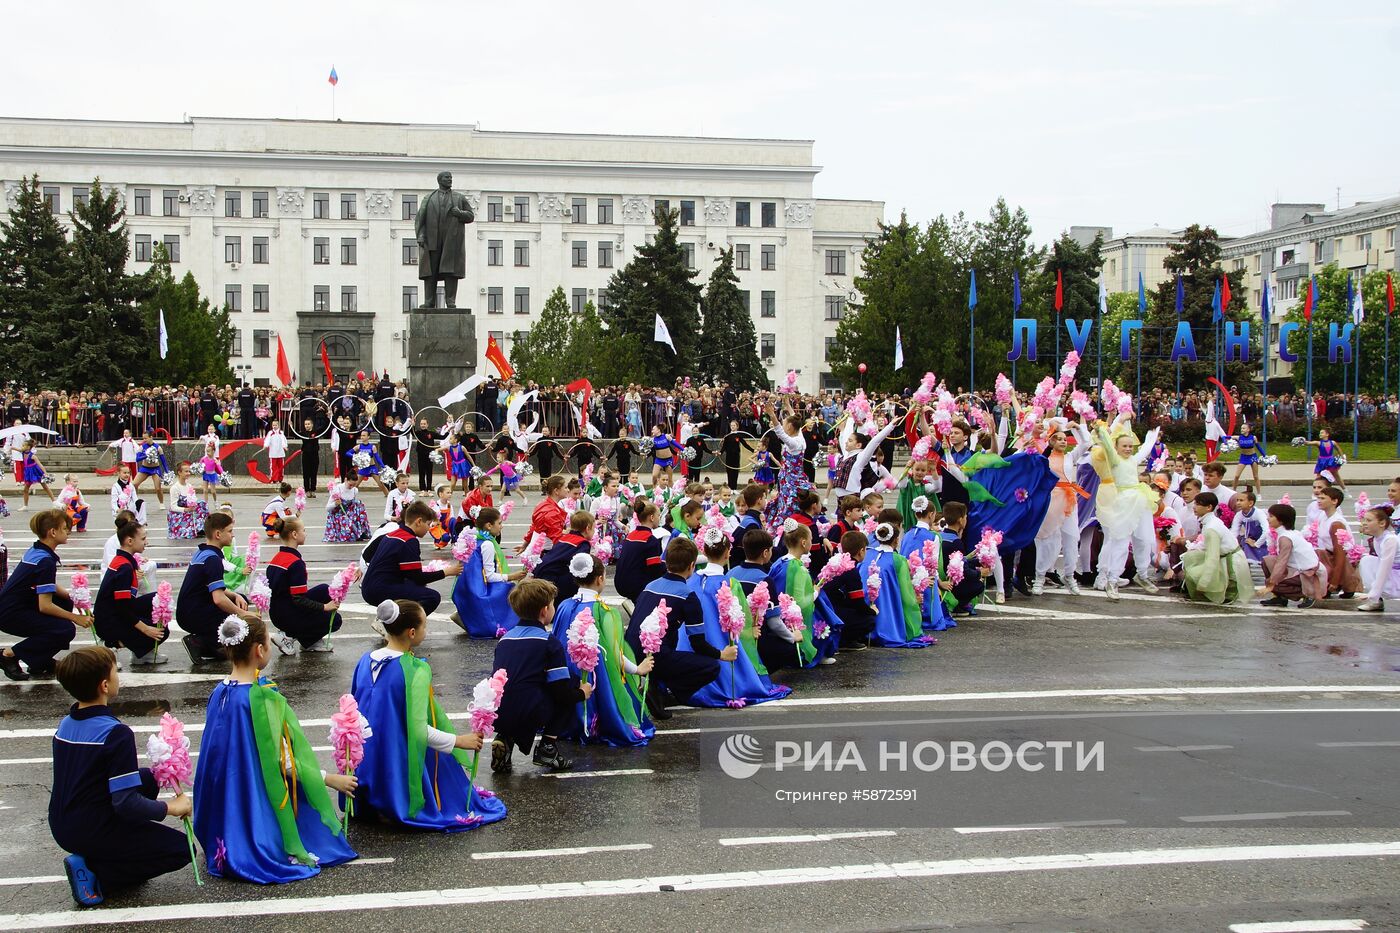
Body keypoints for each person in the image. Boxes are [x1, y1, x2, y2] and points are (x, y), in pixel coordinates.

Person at [193, 616, 357, 882]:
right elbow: (284, 761)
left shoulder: (219, 692)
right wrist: (330, 779)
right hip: (254, 797)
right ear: (259, 650)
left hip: (222, 804)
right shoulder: (261, 698)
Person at [48, 646, 191, 907]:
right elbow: (125, 802)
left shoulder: (65, 724)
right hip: (90, 829)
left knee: (147, 778)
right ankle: (97, 875)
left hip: (63, 822)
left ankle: (112, 851)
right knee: (181, 849)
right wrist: (170, 808)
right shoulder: (115, 733)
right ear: (104, 685)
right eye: (115, 672)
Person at [350, 598, 506, 827]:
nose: (427, 630)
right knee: (441, 768)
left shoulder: (365, 660)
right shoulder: (415, 669)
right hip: (397, 760)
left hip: (367, 761)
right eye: (425, 625)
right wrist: (459, 740)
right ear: (412, 633)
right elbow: (418, 730)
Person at [626, 537, 736, 721]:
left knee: (672, 646)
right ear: (692, 566)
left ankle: (655, 683)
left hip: (630, 651)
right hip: (656, 657)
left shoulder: (650, 585)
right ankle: (670, 691)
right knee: (711, 667)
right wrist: (721, 654)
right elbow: (698, 643)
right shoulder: (688, 596)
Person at [549, 556, 655, 747]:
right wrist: (637, 669)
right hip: (596, 677)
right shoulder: (604, 611)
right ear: (599, 579)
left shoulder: (564, 605)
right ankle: (595, 724)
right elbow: (615, 653)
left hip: (565, 677)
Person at [491, 579, 593, 772]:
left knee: (518, 687)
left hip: (499, 711)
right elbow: (561, 692)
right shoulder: (548, 642)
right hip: (528, 710)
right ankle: (548, 747)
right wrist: (581, 693)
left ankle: (505, 738)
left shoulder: (505, 639)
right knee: (569, 685)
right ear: (545, 610)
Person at [686, 529, 793, 708]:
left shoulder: (692, 579)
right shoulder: (729, 584)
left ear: (703, 550)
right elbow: (740, 623)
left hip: (693, 646)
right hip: (724, 648)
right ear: (728, 552)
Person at [0, 510, 89, 680]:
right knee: (65, 629)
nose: (68, 531)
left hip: (13, 605)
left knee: (64, 602)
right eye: (64, 528)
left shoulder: (37, 549)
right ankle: (8, 655)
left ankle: (39, 661)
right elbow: (45, 605)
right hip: (10, 614)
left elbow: (46, 584)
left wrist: (73, 597)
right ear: (53, 532)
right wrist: (76, 618)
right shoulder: (46, 561)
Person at [1090, 419, 1161, 599]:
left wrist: (1152, 437)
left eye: (1130, 446)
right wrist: (1101, 431)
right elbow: (1107, 445)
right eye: (1125, 446)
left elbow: (1144, 450)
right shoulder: (1115, 460)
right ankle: (1112, 580)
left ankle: (1142, 574)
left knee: (1144, 539)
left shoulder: (1133, 460)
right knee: (1120, 542)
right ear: (1117, 447)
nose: (1129, 449)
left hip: (1139, 500)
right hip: (1123, 502)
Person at [177, 512, 261, 664]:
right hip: (193, 614)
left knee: (237, 600)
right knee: (235, 616)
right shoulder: (213, 560)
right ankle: (199, 641)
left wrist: (235, 595)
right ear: (217, 534)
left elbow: (213, 587)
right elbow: (218, 599)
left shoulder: (204, 552)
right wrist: (243, 614)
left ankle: (212, 646)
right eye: (229, 531)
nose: (232, 535)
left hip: (188, 610)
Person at [360, 500, 460, 614]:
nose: (428, 529)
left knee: (414, 587)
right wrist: (447, 572)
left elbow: (367, 555)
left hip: (368, 586)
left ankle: (393, 620)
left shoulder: (393, 533)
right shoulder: (409, 540)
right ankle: (399, 625)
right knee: (432, 597)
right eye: (428, 524)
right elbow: (417, 577)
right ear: (419, 521)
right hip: (380, 589)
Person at [766, 519, 841, 667]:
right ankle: (813, 654)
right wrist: (815, 592)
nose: (812, 542)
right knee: (823, 621)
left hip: (779, 612)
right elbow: (800, 601)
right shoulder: (798, 568)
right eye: (811, 539)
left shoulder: (779, 562)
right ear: (803, 542)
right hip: (795, 616)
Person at [93, 518, 167, 666]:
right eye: (143, 539)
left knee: (156, 600)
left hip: (112, 613)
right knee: (161, 630)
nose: (146, 542)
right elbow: (122, 607)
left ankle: (141, 653)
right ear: (129, 541)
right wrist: (145, 629)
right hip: (108, 621)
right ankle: (111, 644)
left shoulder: (123, 559)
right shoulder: (124, 567)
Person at [265, 516, 344, 654]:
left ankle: (308, 641)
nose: (305, 533)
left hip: (276, 611)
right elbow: (299, 599)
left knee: (325, 590)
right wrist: (325, 607)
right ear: (294, 534)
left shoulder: (276, 558)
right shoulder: (296, 563)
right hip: (287, 615)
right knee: (336, 620)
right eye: (303, 530)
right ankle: (288, 636)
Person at [857, 510, 933, 646]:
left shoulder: (866, 554)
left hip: (861, 609)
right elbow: (906, 593)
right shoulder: (898, 560)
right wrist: (915, 603)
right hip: (887, 613)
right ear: (896, 540)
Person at [1032, 421, 1090, 596]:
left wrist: (1076, 428)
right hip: (1051, 499)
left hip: (1068, 500)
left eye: (1065, 439)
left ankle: (1070, 575)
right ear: (1051, 442)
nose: (1063, 441)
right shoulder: (1044, 456)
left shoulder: (1070, 457)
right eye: (1058, 439)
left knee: (1072, 537)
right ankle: (1040, 576)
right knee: (1048, 538)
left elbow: (1086, 443)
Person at [451, 506, 526, 637]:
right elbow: (490, 576)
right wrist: (512, 576)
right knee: (511, 589)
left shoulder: (473, 538)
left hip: (465, 589)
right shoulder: (488, 544)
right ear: (489, 526)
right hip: (478, 592)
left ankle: (468, 615)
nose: (501, 526)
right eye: (500, 523)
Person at [1180, 492, 1252, 606]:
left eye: (1198, 504)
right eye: (1195, 504)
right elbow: (1205, 546)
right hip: (1225, 558)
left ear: (1209, 507)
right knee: (1192, 557)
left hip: (1232, 563)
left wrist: (1204, 582)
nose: (1194, 507)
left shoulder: (1211, 527)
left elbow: (1212, 558)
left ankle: (1223, 592)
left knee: (1195, 573)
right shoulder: (1210, 522)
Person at [1259, 503, 1327, 608]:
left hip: (1310, 574)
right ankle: (1280, 598)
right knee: (1267, 561)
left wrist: (1271, 584)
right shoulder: (1290, 533)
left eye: (1271, 516)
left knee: (1276, 583)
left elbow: (1282, 562)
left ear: (1281, 520)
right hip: (1298, 570)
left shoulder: (1285, 538)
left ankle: (1309, 594)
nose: (1268, 519)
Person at [531, 510, 594, 603]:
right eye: (594, 529)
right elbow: (578, 567)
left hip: (541, 571)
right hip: (553, 577)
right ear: (588, 528)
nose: (594, 532)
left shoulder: (564, 538)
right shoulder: (582, 543)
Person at [828, 531, 878, 649]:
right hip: (833, 611)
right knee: (869, 620)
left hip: (827, 607)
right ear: (861, 551)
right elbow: (857, 602)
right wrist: (872, 611)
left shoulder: (838, 562)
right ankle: (845, 641)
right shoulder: (851, 570)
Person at [1313, 485, 1361, 598]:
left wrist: (1335, 580)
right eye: (1318, 498)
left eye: (1323, 498)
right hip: (1328, 555)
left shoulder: (1336, 523)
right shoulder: (1323, 517)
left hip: (1340, 558)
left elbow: (1340, 553)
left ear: (1334, 501)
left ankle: (1340, 582)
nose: (1319, 501)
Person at [615, 498, 664, 601]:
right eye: (658, 516)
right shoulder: (650, 539)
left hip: (620, 582)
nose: (659, 519)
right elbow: (655, 569)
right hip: (637, 586)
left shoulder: (631, 535)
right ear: (652, 517)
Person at [1356, 506, 1400, 612]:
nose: (1364, 523)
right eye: (1364, 520)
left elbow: (1385, 569)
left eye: (1369, 520)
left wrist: (1373, 594)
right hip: (1393, 571)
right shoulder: (1377, 538)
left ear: (1382, 523)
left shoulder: (1390, 540)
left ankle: (1375, 598)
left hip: (1396, 572)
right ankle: (1376, 602)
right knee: (1366, 561)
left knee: (1376, 567)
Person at [522, 475, 568, 553]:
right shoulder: (552, 512)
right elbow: (557, 539)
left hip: (536, 550)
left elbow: (534, 528)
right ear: (556, 491)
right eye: (565, 487)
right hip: (545, 552)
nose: (568, 490)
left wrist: (525, 545)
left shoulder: (542, 504)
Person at [324, 473, 372, 543]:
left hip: (349, 513)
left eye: (354, 485)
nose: (351, 487)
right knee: (346, 520)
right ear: (346, 480)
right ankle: (352, 533)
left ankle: (361, 531)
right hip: (339, 514)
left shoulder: (355, 490)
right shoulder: (337, 490)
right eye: (350, 485)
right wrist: (335, 504)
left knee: (360, 507)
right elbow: (327, 508)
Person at [166, 462, 207, 540]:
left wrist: (194, 505)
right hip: (178, 514)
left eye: (189, 471)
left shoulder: (189, 486)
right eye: (186, 471)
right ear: (179, 473)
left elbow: (193, 499)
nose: (188, 473)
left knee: (202, 504)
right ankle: (183, 529)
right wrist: (186, 509)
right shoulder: (175, 488)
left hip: (188, 511)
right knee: (185, 533)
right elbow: (173, 507)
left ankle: (200, 528)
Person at [1230, 490, 1268, 563]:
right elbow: (1234, 532)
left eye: (1241, 500)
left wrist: (1257, 544)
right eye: (1237, 500)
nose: (1238, 503)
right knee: (1245, 544)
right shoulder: (1239, 515)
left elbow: (1267, 531)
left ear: (1250, 503)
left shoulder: (1259, 513)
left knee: (1265, 561)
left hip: (1264, 540)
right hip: (1250, 540)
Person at [133, 431, 167, 507]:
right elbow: (137, 459)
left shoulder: (158, 447)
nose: (144, 440)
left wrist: (167, 471)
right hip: (144, 469)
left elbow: (163, 460)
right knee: (134, 484)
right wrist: (145, 456)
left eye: (146, 438)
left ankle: (161, 503)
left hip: (155, 469)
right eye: (143, 438)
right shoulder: (142, 447)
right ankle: (135, 500)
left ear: (151, 437)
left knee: (158, 488)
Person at [1227, 423, 1265, 492]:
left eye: (1244, 428)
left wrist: (1264, 455)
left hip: (1252, 457)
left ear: (1248, 429)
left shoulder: (1253, 438)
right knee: (1236, 476)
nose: (1242, 429)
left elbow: (1259, 447)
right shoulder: (1238, 437)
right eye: (1241, 428)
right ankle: (1233, 491)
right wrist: (1224, 439)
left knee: (1256, 476)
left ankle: (1259, 494)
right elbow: (1227, 437)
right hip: (1243, 457)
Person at [19, 439, 55, 509]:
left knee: (45, 486)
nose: (22, 446)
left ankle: (54, 502)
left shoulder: (33, 456)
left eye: (24, 445)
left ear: (28, 447)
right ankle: (25, 505)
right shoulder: (23, 453)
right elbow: (18, 449)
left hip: (36, 471)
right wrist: (11, 448)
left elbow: (40, 464)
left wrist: (45, 473)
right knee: (26, 489)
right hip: (28, 472)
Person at [649, 424, 679, 489]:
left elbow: (675, 444)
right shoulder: (652, 440)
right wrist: (645, 454)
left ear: (658, 430)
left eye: (653, 429)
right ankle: (654, 491)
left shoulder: (666, 436)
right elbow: (650, 450)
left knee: (669, 479)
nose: (652, 431)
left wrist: (683, 449)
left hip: (668, 460)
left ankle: (671, 492)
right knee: (654, 476)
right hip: (659, 460)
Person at [299, 418, 320, 498]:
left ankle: (313, 490)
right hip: (306, 455)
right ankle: (307, 490)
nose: (307, 426)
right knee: (306, 474)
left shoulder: (316, 432)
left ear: (312, 424)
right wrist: (290, 424)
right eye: (305, 424)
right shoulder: (303, 433)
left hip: (314, 455)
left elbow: (324, 427)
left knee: (313, 473)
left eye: (308, 424)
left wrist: (330, 417)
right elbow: (294, 433)